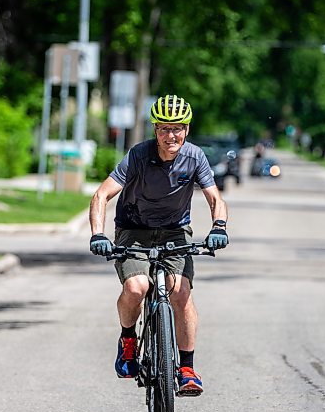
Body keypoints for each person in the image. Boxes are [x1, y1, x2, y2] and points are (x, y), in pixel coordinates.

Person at [89, 94, 228, 396]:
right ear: (155, 130)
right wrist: (98, 234)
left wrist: (219, 227)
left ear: (186, 130)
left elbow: (215, 198)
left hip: (175, 232)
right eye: (164, 128)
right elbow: (101, 195)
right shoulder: (138, 155)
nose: (170, 136)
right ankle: (128, 342)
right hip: (133, 230)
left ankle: (187, 369)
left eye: (177, 128)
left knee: (180, 293)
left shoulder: (195, 157)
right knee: (137, 287)